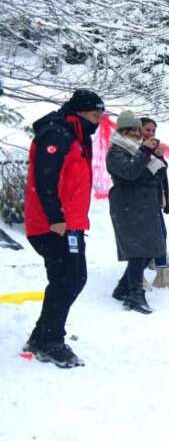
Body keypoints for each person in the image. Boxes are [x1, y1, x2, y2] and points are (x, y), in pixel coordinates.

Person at [22, 89, 103, 367]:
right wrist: (56, 217)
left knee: (68, 279)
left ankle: (42, 336)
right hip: (53, 225)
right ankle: (50, 339)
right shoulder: (57, 134)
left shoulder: (75, 136)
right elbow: (45, 180)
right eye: (95, 114)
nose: (99, 120)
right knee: (69, 279)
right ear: (80, 112)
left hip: (71, 224)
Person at [105, 111, 165, 314]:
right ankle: (134, 294)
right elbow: (129, 173)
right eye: (131, 130)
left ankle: (123, 288)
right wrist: (145, 153)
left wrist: (158, 157)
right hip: (128, 204)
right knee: (138, 249)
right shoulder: (116, 151)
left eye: (137, 130)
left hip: (146, 204)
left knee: (150, 249)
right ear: (122, 130)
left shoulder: (138, 149)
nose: (136, 134)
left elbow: (155, 175)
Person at [139, 117, 169, 291]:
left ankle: (162, 274)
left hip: (156, 199)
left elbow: (163, 175)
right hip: (140, 201)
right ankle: (136, 275)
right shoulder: (136, 149)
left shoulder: (155, 149)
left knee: (161, 235)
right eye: (147, 129)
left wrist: (166, 197)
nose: (150, 133)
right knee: (143, 239)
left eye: (153, 130)